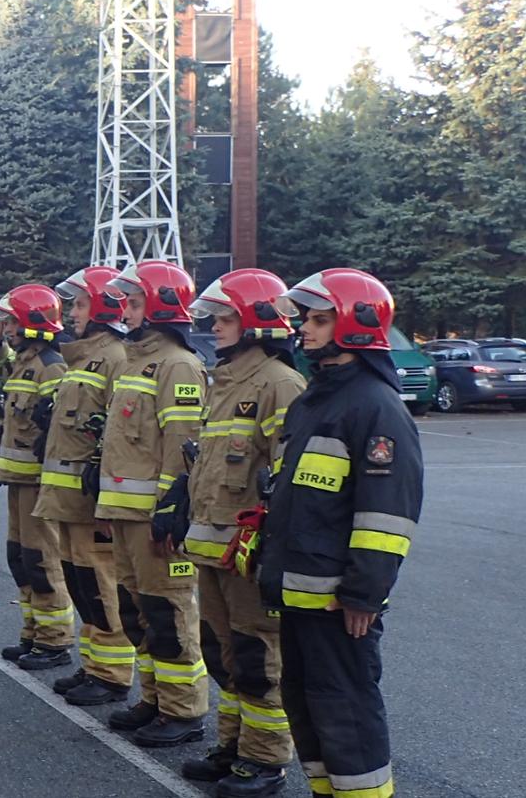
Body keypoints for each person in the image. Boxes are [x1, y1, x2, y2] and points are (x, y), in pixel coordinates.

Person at [261, 268, 421, 798]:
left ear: (355, 324)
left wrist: (362, 594)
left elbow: (387, 515)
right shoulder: (314, 401)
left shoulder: (376, 406)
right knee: (307, 706)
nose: (304, 328)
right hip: (298, 592)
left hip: (337, 602)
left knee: (346, 713)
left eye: (319, 319)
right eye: (305, 317)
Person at [174, 269, 306, 797]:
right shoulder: (224, 381)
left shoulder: (278, 383)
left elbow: (287, 478)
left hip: (248, 553)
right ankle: (232, 745)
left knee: (257, 656)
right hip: (210, 548)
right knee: (221, 651)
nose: (216, 326)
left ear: (255, 322)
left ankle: (265, 758)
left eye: (226, 317)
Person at [93, 260, 211, 748]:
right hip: (125, 515)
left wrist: (171, 508)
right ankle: (155, 699)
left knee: (168, 612)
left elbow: (182, 444)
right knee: (137, 609)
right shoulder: (137, 361)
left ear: (162, 306)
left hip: (154, 519)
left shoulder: (178, 364)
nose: (127, 310)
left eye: (136, 302)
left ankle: (183, 711)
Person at [35, 267, 139, 708]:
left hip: (93, 501)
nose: (70, 313)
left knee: (103, 585)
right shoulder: (84, 358)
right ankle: (94, 663)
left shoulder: (115, 356)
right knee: (83, 585)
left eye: (78, 304)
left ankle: (113, 673)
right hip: (69, 500)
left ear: (100, 307)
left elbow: (118, 431)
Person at [0, 285, 73, 670]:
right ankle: (33, 633)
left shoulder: (52, 365)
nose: (6, 327)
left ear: (33, 324)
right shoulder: (26, 361)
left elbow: (58, 426)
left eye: (11, 321)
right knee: (19, 558)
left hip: (38, 482)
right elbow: (6, 368)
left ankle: (55, 642)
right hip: (18, 480)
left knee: (41, 560)